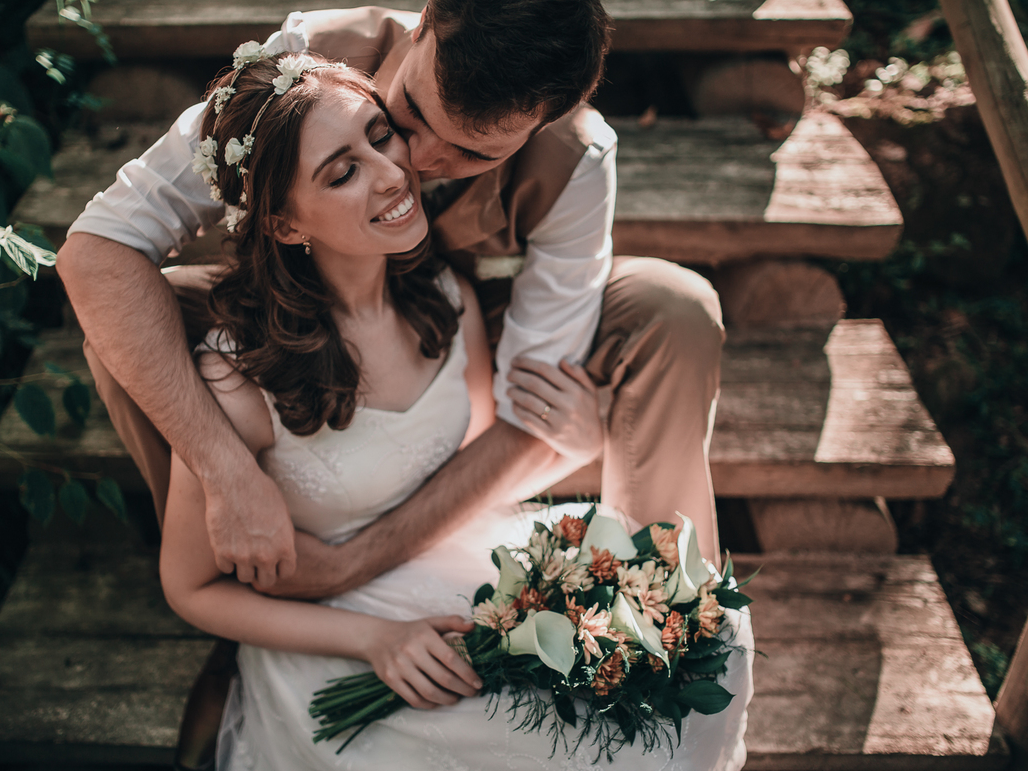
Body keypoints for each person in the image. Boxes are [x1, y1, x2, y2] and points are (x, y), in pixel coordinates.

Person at [158, 51, 752, 771]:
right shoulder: (235, 374)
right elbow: (191, 589)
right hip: (334, 636)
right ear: (285, 225)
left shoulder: (445, 298)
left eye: (380, 136)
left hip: (461, 568)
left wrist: (578, 437)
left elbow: (470, 464)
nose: (390, 173)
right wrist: (374, 641)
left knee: (680, 661)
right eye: (341, 173)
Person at [56, 0, 727, 599]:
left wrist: (351, 565)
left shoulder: (577, 158)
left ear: (543, 122)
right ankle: (226, 564)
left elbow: (532, 407)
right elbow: (96, 249)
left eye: (473, 153)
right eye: (410, 112)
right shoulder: (303, 61)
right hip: (303, 308)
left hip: (468, 331)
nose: (418, 163)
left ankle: (660, 603)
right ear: (424, 24)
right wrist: (221, 465)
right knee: (128, 315)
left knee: (674, 308)